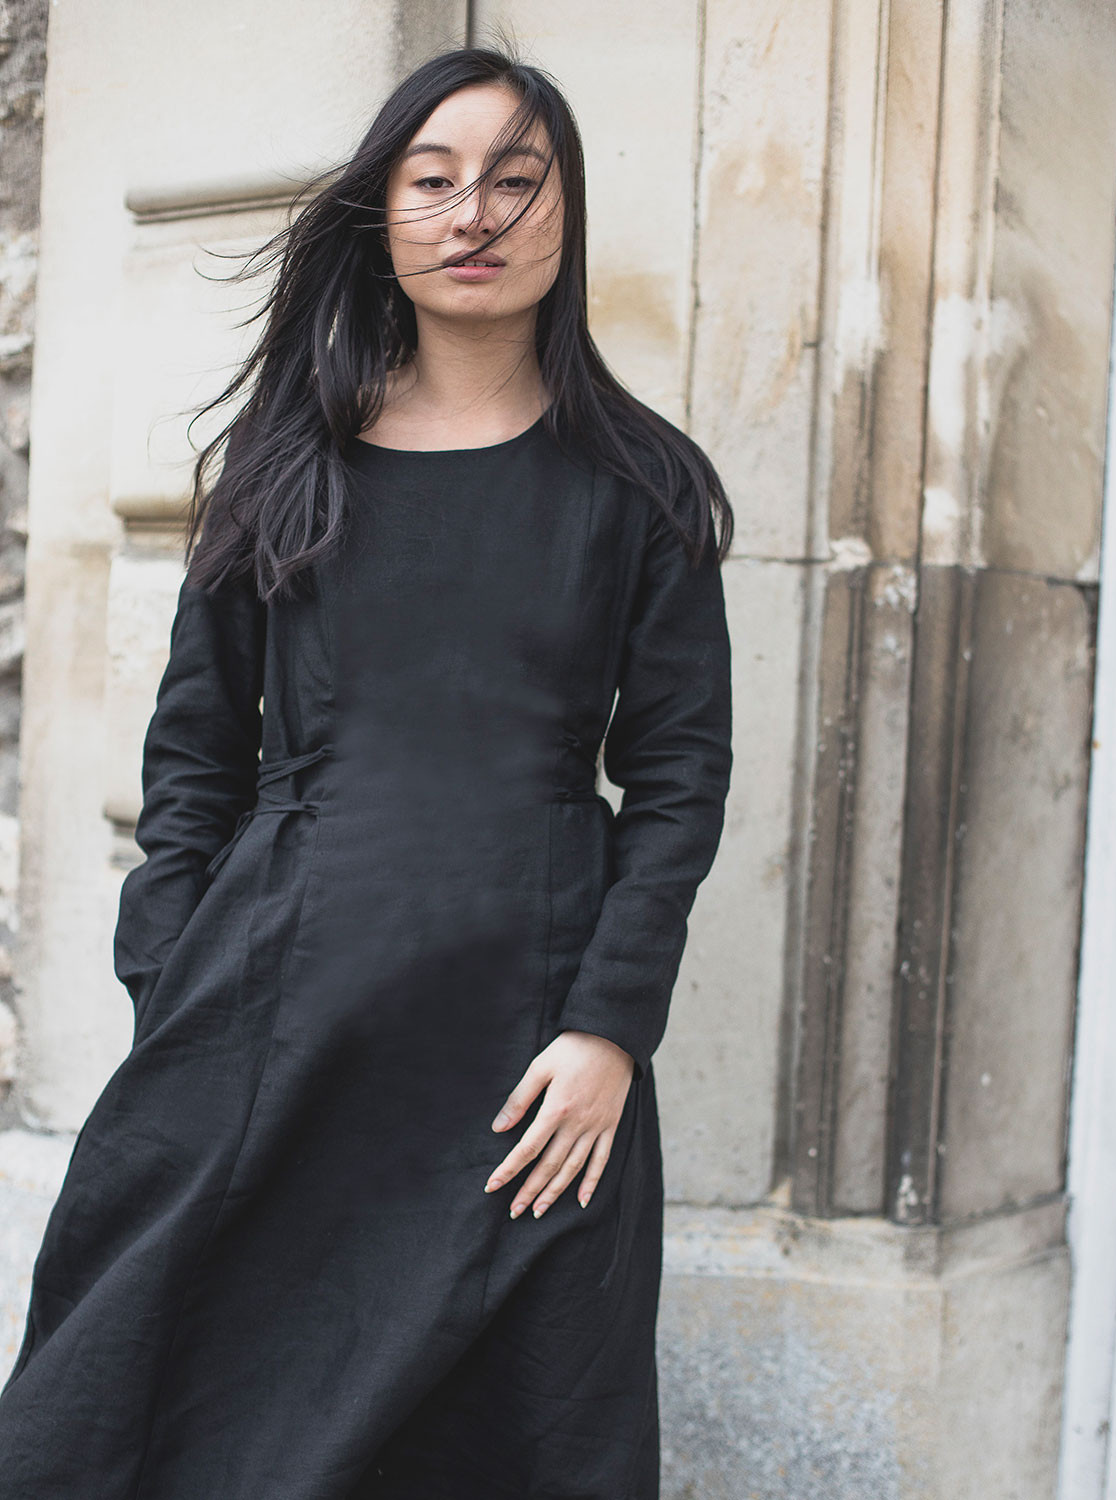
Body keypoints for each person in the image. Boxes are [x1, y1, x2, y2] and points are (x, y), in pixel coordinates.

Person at [0, 44, 733, 1500]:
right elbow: (193, 760)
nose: (474, 215)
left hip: (526, 1062)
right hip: (271, 1023)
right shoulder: (285, 464)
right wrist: (174, 979)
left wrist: (608, 1030)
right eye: (433, 180)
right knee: (162, 1402)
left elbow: (677, 780)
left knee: (507, 1437)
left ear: (568, 213)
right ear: (383, 217)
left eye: (516, 181)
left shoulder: (642, 485)